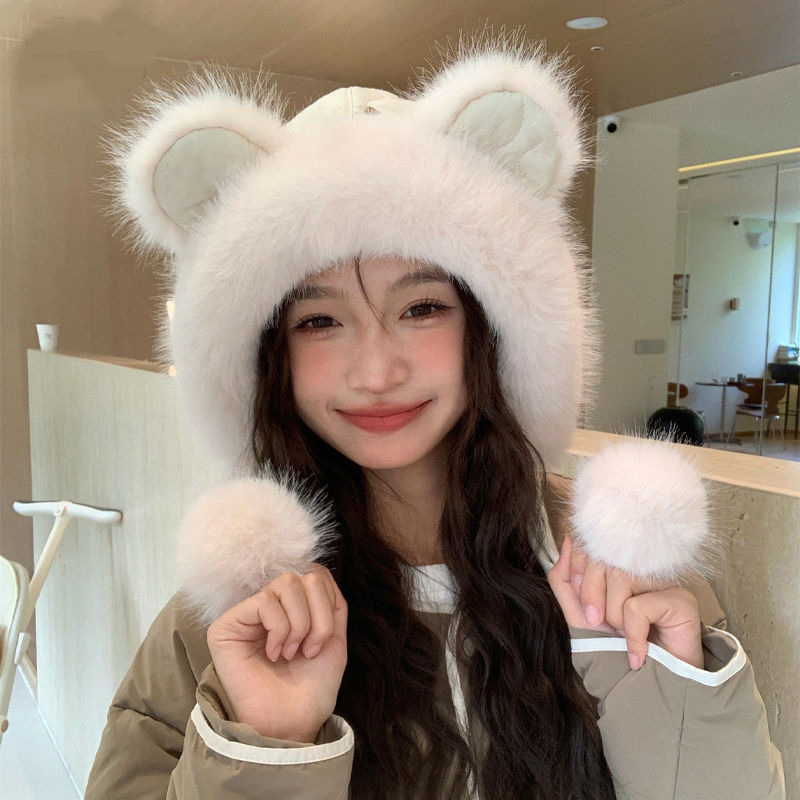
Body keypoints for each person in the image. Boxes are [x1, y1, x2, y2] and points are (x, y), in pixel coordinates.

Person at [85, 40, 784, 799]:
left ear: (490, 327)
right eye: (319, 321)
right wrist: (269, 749)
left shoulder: (617, 572)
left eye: (420, 308)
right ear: (270, 357)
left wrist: (664, 693)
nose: (376, 371)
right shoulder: (231, 621)